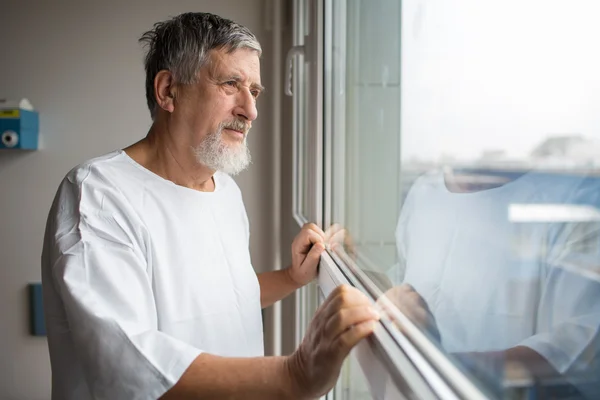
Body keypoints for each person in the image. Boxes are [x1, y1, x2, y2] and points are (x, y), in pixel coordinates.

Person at [41, 12, 380, 400]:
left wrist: (290, 277)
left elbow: (219, 300)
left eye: (254, 91)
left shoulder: (226, 193)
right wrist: (295, 374)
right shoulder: (98, 195)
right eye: (231, 84)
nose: (250, 110)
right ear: (168, 90)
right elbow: (125, 360)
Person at [386, 166, 600, 397]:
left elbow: (572, 351)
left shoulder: (576, 198)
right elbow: (402, 283)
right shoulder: (424, 191)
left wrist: (440, 366)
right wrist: (347, 262)